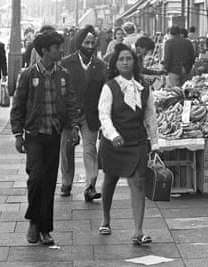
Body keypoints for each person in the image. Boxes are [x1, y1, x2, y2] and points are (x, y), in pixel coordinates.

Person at [10, 30, 80, 245]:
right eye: (57, 47)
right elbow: (18, 105)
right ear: (44, 50)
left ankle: (45, 229)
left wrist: (74, 126)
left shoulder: (64, 75)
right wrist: (17, 134)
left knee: (49, 182)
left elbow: (70, 103)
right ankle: (33, 219)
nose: (61, 50)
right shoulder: (29, 75)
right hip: (34, 135)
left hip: (54, 134)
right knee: (36, 178)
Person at [97, 44, 159, 246]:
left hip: (137, 141)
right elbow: (104, 116)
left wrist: (155, 143)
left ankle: (138, 231)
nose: (125, 62)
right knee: (110, 180)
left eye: (129, 58)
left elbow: (150, 116)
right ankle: (106, 218)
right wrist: (113, 135)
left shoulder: (144, 87)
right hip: (114, 142)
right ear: (116, 63)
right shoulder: (109, 87)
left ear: (134, 62)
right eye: (121, 59)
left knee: (138, 183)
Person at [59, 25, 106, 200]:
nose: (90, 45)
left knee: (90, 149)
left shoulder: (100, 65)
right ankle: (66, 182)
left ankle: (90, 186)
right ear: (79, 43)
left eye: (93, 42)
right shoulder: (66, 63)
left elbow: (105, 91)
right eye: (87, 42)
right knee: (66, 149)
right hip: (69, 113)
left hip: (91, 115)